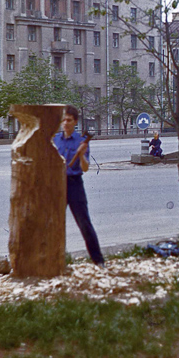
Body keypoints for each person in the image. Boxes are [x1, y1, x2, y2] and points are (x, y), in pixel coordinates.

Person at [53, 105, 104, 267]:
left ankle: (99, 261)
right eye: (63, 120)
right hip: (57, 185)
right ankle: (54, 262)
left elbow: (85, 168)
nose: (65, 123)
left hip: (75, 185)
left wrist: (82, 155)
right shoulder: (55, 140)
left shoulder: (82, 142)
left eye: (69, 120)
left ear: (75, 121)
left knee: (84, 224)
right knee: (53, 225)